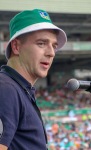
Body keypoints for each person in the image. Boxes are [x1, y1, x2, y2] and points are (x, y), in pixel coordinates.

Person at [0, 8, 67, 150]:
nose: (51, 53)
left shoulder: (19, 88)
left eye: (54, 46)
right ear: (16, 46)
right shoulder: (6, 88)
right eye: (41, 43)